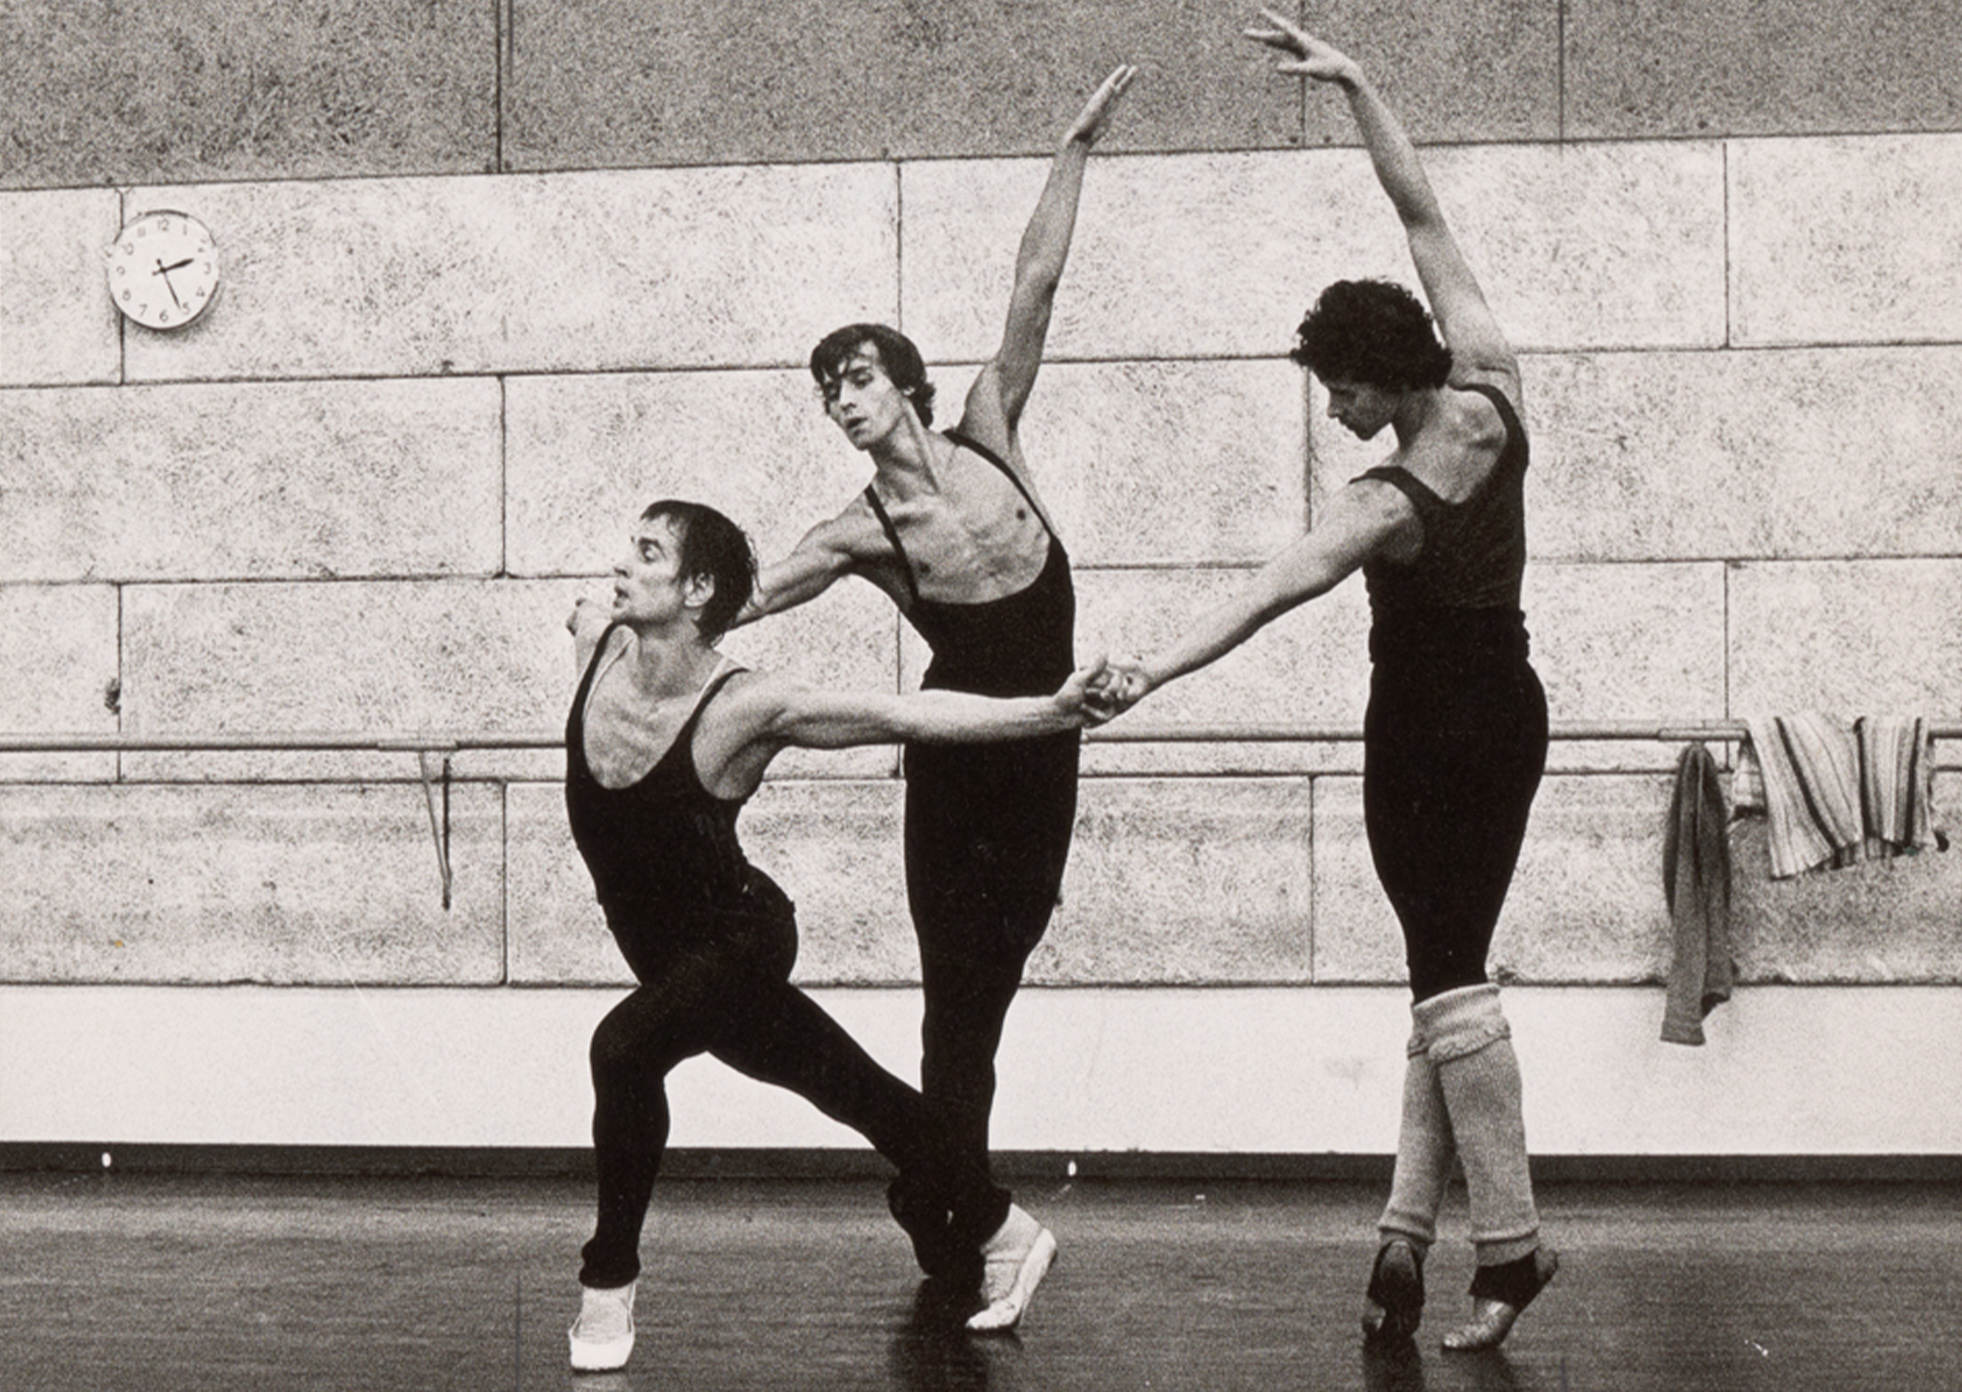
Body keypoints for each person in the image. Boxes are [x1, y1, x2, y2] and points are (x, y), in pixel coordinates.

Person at [1099, 12, 1558, 1353]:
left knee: (1442, 976)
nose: (1332, 411)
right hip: (1511, 709)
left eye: (1339, 391)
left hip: (1423, 730)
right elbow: (1421, 215)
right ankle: (1403, 1249)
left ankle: (1514, 1243)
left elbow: (1259, 597)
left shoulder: (1382, 502)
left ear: (1380, 379)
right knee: (1443, 974)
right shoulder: (1490, 382)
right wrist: (1360, 88)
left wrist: (1145, 673)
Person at [737, 65, 1137, 1289]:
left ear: (903, 383)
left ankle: (936, 1189)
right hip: (954, 762)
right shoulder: (864, 531)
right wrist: (628, 617)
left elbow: (1036, 285)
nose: (842, 403)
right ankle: (958, 1203)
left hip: (1045, 749)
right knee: (953, 997)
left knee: (991, 985)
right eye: (827, 393)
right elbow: (751, 593)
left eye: (856, 379)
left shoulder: (989, 429)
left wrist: (1071, 149)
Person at [562, 500, 1108, 1369]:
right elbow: (585, 614)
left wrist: (1053, 713)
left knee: (622, 1051)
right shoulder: (596, 642)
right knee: (855, 1091)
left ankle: (607, 1284)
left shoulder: (748, 705)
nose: (623, 564)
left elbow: (905, 717)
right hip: (669, 956)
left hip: (738, 941)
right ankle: (1005, 1226)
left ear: (698, 588)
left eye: (649, 551)